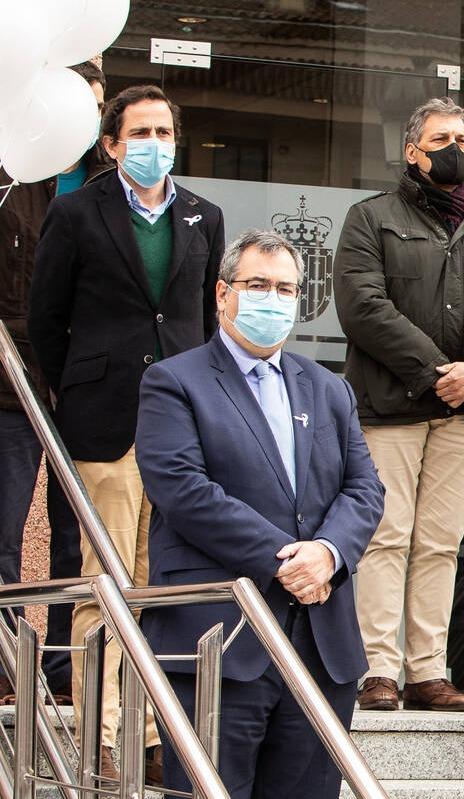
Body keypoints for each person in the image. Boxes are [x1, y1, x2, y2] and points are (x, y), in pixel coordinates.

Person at [135, 230, 384, 797]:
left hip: (320, 648)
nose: (273, 297)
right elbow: (181, 489)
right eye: (257, 285)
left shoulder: (329, 388)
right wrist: (286, 561)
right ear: (223, 294)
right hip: (219, 643)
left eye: (286, 288)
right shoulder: (173, 381)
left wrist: (327, 553)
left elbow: (365, 488)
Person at [29, 83, 226, 779]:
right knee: (99, 582)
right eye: (138, 133)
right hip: (103, 423)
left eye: (163, 133)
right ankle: (99, 732)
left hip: (178, 428)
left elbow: (203, 323)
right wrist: (77, 387)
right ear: (111, 144)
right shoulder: (76, 212)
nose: (153, 145)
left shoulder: (205, 216)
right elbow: (45, 319)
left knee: (153, 581)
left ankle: (150, 730)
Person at [335, 97, 464, 714]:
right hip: (391, 406)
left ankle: (427, 669)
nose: (454, 147)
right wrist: (439, 372)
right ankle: (377, 667)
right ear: (413, 150)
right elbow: (362, 306)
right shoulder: (370, 217)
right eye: (440, 138)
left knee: (440, 541)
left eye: (461, 136)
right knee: (386, 535)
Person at [0, 60, 107, 703]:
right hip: (13, 383)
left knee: (77, 537)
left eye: (94, 101)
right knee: (5, 529)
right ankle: (9, 663)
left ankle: (69, 670)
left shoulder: (109, 183)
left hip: (89, 384)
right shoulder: (13, 176)